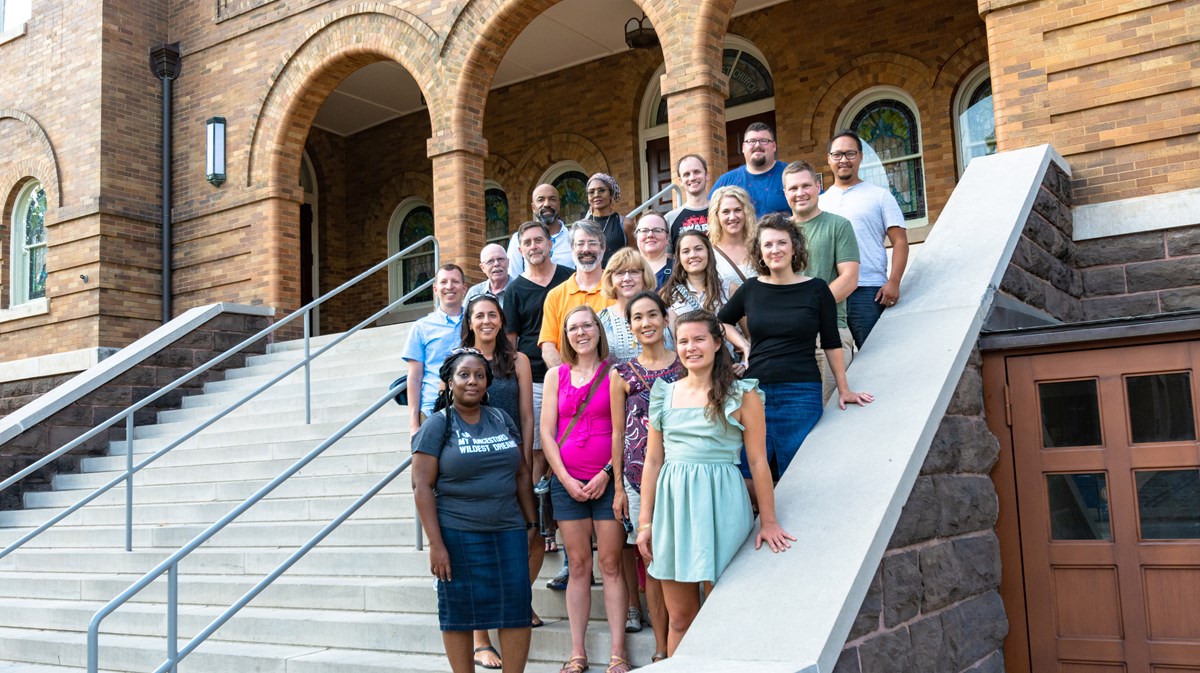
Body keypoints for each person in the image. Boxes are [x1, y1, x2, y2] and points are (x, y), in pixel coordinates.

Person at [635, 311, 795, 656]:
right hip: (673, 506)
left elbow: (757, 462)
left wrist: (768, 521)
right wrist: (645, 523)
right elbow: (653, 460)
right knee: (679, 618)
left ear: (718, 342)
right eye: (683, 341)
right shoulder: (664, 393)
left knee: (726, 613)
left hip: (722, 502)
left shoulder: (742, 394)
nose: (690, 347)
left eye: (699, 339)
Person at [718, 213, 874, 483]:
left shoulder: (816, 290)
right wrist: (744, 345)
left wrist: (844, 388)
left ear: (794, 248)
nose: (775, 250)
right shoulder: (751, 289)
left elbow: (831, 342)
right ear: (759, 251)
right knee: (747, 473)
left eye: (781, 243)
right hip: (756, 391)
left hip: (801, 392)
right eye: (767, 245)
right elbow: (721, 321)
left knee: (801, 470)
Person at [412, 348, 537, 673]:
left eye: (479, 376)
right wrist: (436, 546)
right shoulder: (437, 426)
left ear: (487, 383)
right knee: (459, 613)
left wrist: (531, 523)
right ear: (449, 382)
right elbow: (421, 486)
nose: (472, 381)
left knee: (516, 609)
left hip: (508, 530)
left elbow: (522, 473)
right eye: (464, 375)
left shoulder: (501, 418)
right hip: (458, 533)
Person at [540, 306, 630, 673]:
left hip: (606, 481)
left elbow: (622, 431)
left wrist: (608, 473)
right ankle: (577, 652)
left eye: (587, 326)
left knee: (610, 564)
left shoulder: (615, 373)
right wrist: (564, 479)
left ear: (598, 330)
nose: (581, 333)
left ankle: (618, 653)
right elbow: (546, 433)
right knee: (578, 565)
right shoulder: (554, 376)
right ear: (566, 335)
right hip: (567, 483)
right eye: (573, 328)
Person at [460, 293, 537, 668]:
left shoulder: (518, 360)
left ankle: (518, 603)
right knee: (479, 550)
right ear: (470, 322)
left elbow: (526, 414)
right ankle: (481, 638)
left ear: (502, 320)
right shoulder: (459, 362)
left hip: (513, 458)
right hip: (475, 463)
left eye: (493, 315)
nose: (487, 321)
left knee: (532, 535)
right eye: (480, 316)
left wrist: (526, 461)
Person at [609, 291, 682, 663]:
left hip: (684, 473)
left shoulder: (686, 362)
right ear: (630, 326)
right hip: (640, 478)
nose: (646, 323)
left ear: (665, 318)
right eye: (638, 318)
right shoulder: (621, 373)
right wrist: (619, 486)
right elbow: (617, 433)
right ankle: (661, 644)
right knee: (652, 560)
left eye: (653, 315)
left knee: (687, 555)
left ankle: (693, 635)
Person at [502, 220, 573, 584]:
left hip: (574, 372)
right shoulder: (514, 291)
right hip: (534, 378)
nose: (533, 246)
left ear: (550, 243)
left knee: (568, 452)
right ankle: (539, 519)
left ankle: (560, 537)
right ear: (521, 249)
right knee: (538, 453)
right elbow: (511, 342)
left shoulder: (569, 276)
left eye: (539, 240)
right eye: (526, 242)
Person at [819, 130, 909, 348]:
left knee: (874, 357)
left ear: (860, 156)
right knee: (835, 362)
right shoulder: (820, 202)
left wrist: (894, 282)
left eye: (850, 154)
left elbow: (900, 242)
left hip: (868, 291)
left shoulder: (879, 196)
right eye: (838, 154)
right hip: (829, 292)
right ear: (829, 159)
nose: (844, 160)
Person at [783, 160, 859, 403]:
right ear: (785, 193)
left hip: (828, 333)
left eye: (806, 185)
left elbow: (849, 279)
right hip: (786, 337)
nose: (800, 193)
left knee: (829, 413)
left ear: (818, 186)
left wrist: (807, 310)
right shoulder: (777, 233)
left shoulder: (838, 226)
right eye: (793, 188)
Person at [658, 230, 750, 365]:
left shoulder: (730, 289)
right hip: (689, 372)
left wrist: (742, 364)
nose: (693, 255)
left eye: (698, 249)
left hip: (727, 370)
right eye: (686, 251)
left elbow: (750, 333)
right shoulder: (667, 295)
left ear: (708, 252)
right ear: (679, 258)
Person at [538, 220, 613, 369]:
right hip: (570, 386)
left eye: (592, 243)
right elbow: (548, 348)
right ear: (572, 248)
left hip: (611, 382)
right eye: (580, 244)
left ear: (603, 248)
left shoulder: (616, 290)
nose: (586, 249)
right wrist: (569, 379)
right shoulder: (555, 295)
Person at [403, 264, 466, 436]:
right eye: (444, 282)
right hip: (432, 410)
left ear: (464, 288)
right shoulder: (421, 327)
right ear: (435, 288)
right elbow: (414, 378)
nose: (449, 286)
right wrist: (413, 424)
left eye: (455, 281)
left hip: (472, 408)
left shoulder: (476, 321)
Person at [709, 122, 790, 217]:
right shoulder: (726, 181)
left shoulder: (790, 174)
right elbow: (709, 215)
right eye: (751, 141)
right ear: (743, 147)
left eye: (764, 141)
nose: (757, 145)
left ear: (774, 146)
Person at [598, 249, 663, 364]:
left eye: (634, 272)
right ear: (610, 278)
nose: (627, 278)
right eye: (620, 273)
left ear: (644, 276)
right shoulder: (600, 320)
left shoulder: (664, 314)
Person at [507, 184, 575, 276]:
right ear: (533, 207)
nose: (547, 204)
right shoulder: (518, 240)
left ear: (559, 205)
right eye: (541, 200)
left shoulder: (573, 238)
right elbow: (513, 278)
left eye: (552, 199)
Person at [708, 185, 759, 287]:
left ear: (746, 212)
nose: (732, 217)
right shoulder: (709, 252)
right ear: (716, 215)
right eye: (726, 212)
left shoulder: (759, 245)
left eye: (737, 210)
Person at [582, 173, 634, 267]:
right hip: (592, 279)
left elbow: (634, 258)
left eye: (602, 190)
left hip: (617, 278)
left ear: (611, 194)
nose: (596, 195)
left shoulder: (625, 224)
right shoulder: (582, 227)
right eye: (591, 192)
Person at [664, 154, 710, 252]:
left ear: (706, 175)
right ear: (680, 181)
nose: (692, 178)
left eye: (697, 172)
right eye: (686, 174)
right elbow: (667, 259)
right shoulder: (669, 219)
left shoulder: (722, 212)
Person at [466, 243, 513, 308]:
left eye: (500, 259)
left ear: (508, 262)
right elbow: (465, 317)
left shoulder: (521, 290)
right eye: (490, 261)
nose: (496, 264)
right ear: (482, 268)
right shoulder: (474, 293)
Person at [633, 212, 672, 289]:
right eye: (644, 230)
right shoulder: (624, 272)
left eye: (657, 230)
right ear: (636, 237)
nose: (650, 235)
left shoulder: (679, 271)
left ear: (667, 237)